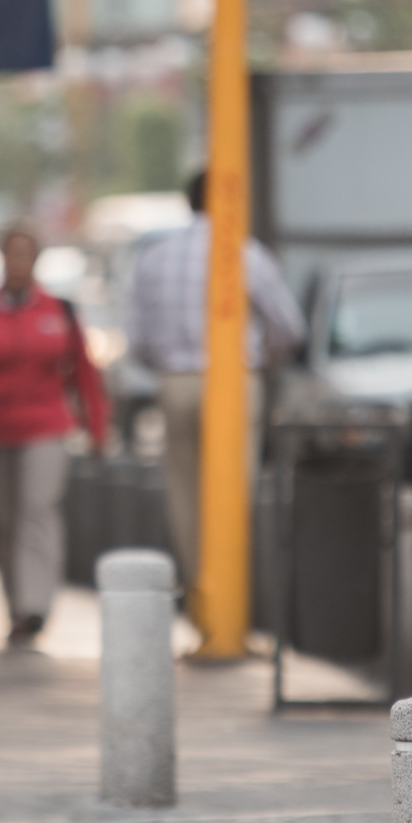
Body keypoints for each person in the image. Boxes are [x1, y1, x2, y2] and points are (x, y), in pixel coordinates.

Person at [127, 169, 305, 593]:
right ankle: (229, 587)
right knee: (232, 488)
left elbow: (137, 341)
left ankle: (200, 588)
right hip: (234, 381)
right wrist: (262, 360)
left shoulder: (155, 257)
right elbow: (289, 328)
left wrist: (170, 365)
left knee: (184, 491)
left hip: (176, 382)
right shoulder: (246, 254)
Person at [0, 224, 109, 645]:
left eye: (25, 254)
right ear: (1, 259)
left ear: (36, 260)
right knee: (5, 522)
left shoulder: (59, 311)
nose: (18, 263)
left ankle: (35, 605)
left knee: (36, 510)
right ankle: (15, 608)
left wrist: (97, 426)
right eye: (11, 254)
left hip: (46, 426)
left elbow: (85, 374)